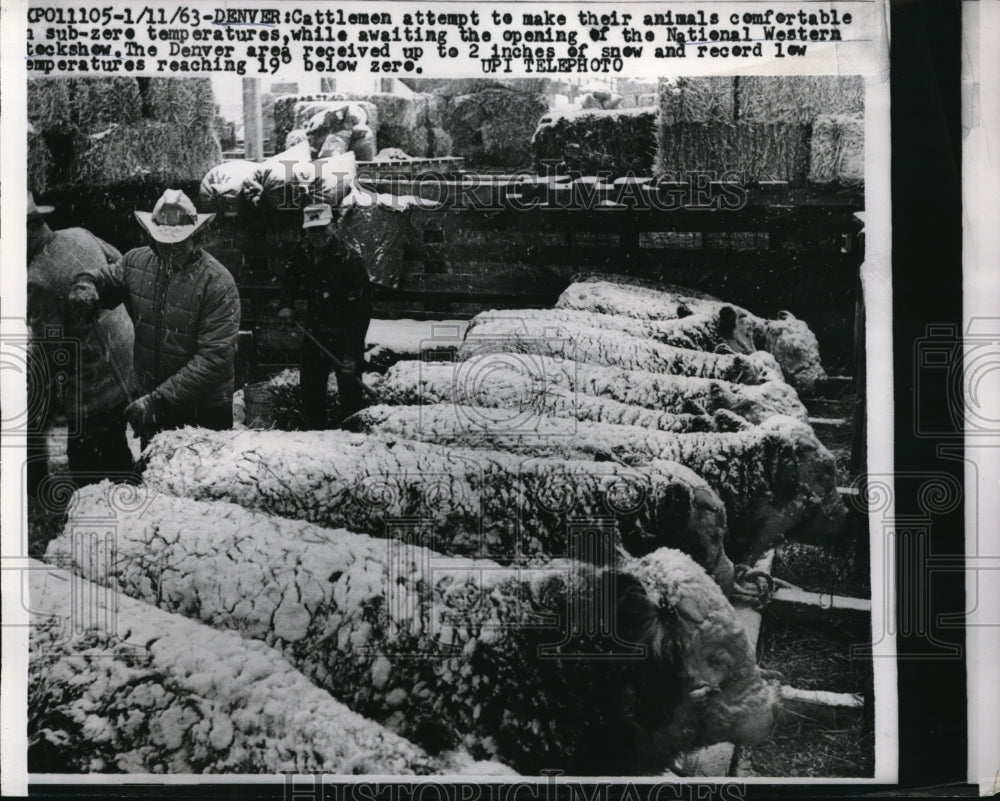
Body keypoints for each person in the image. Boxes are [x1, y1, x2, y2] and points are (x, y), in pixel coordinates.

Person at [68, 189, 241, 447]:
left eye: (179, 242)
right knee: (155, 477)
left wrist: (158, 400)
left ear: (196, 237)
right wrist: (86, 283)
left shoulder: (218, 283)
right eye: (164, 242)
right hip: (154, 405)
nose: (170, 250)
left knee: (196, 481)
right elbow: (106, 279)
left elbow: (214, 360)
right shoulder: (137, 262)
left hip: (204, 410)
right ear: (152, 236)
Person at [26, 191, 137, 492]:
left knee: (90, 465)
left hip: (96, 389)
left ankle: (104, 503)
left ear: (30, 227)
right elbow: (119, 263)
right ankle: (128, 488)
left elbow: (52, 354)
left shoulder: (38, 279)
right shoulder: (79, 233)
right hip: (128, 361)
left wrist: (42, 406)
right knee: (116, 446)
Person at [278, 202, 372, 428]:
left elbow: (362, 311)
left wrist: (351, 354)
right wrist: (287, 304)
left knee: (351, 399)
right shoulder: (303, 251)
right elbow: (289, 279)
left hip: (346, 335)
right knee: (310, 394)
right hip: (314, 333)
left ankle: (353, 444)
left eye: (323, 228)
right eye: (312, 230)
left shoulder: (351, 261)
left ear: (334, 226)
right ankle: (316, 440)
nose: (317, 235)